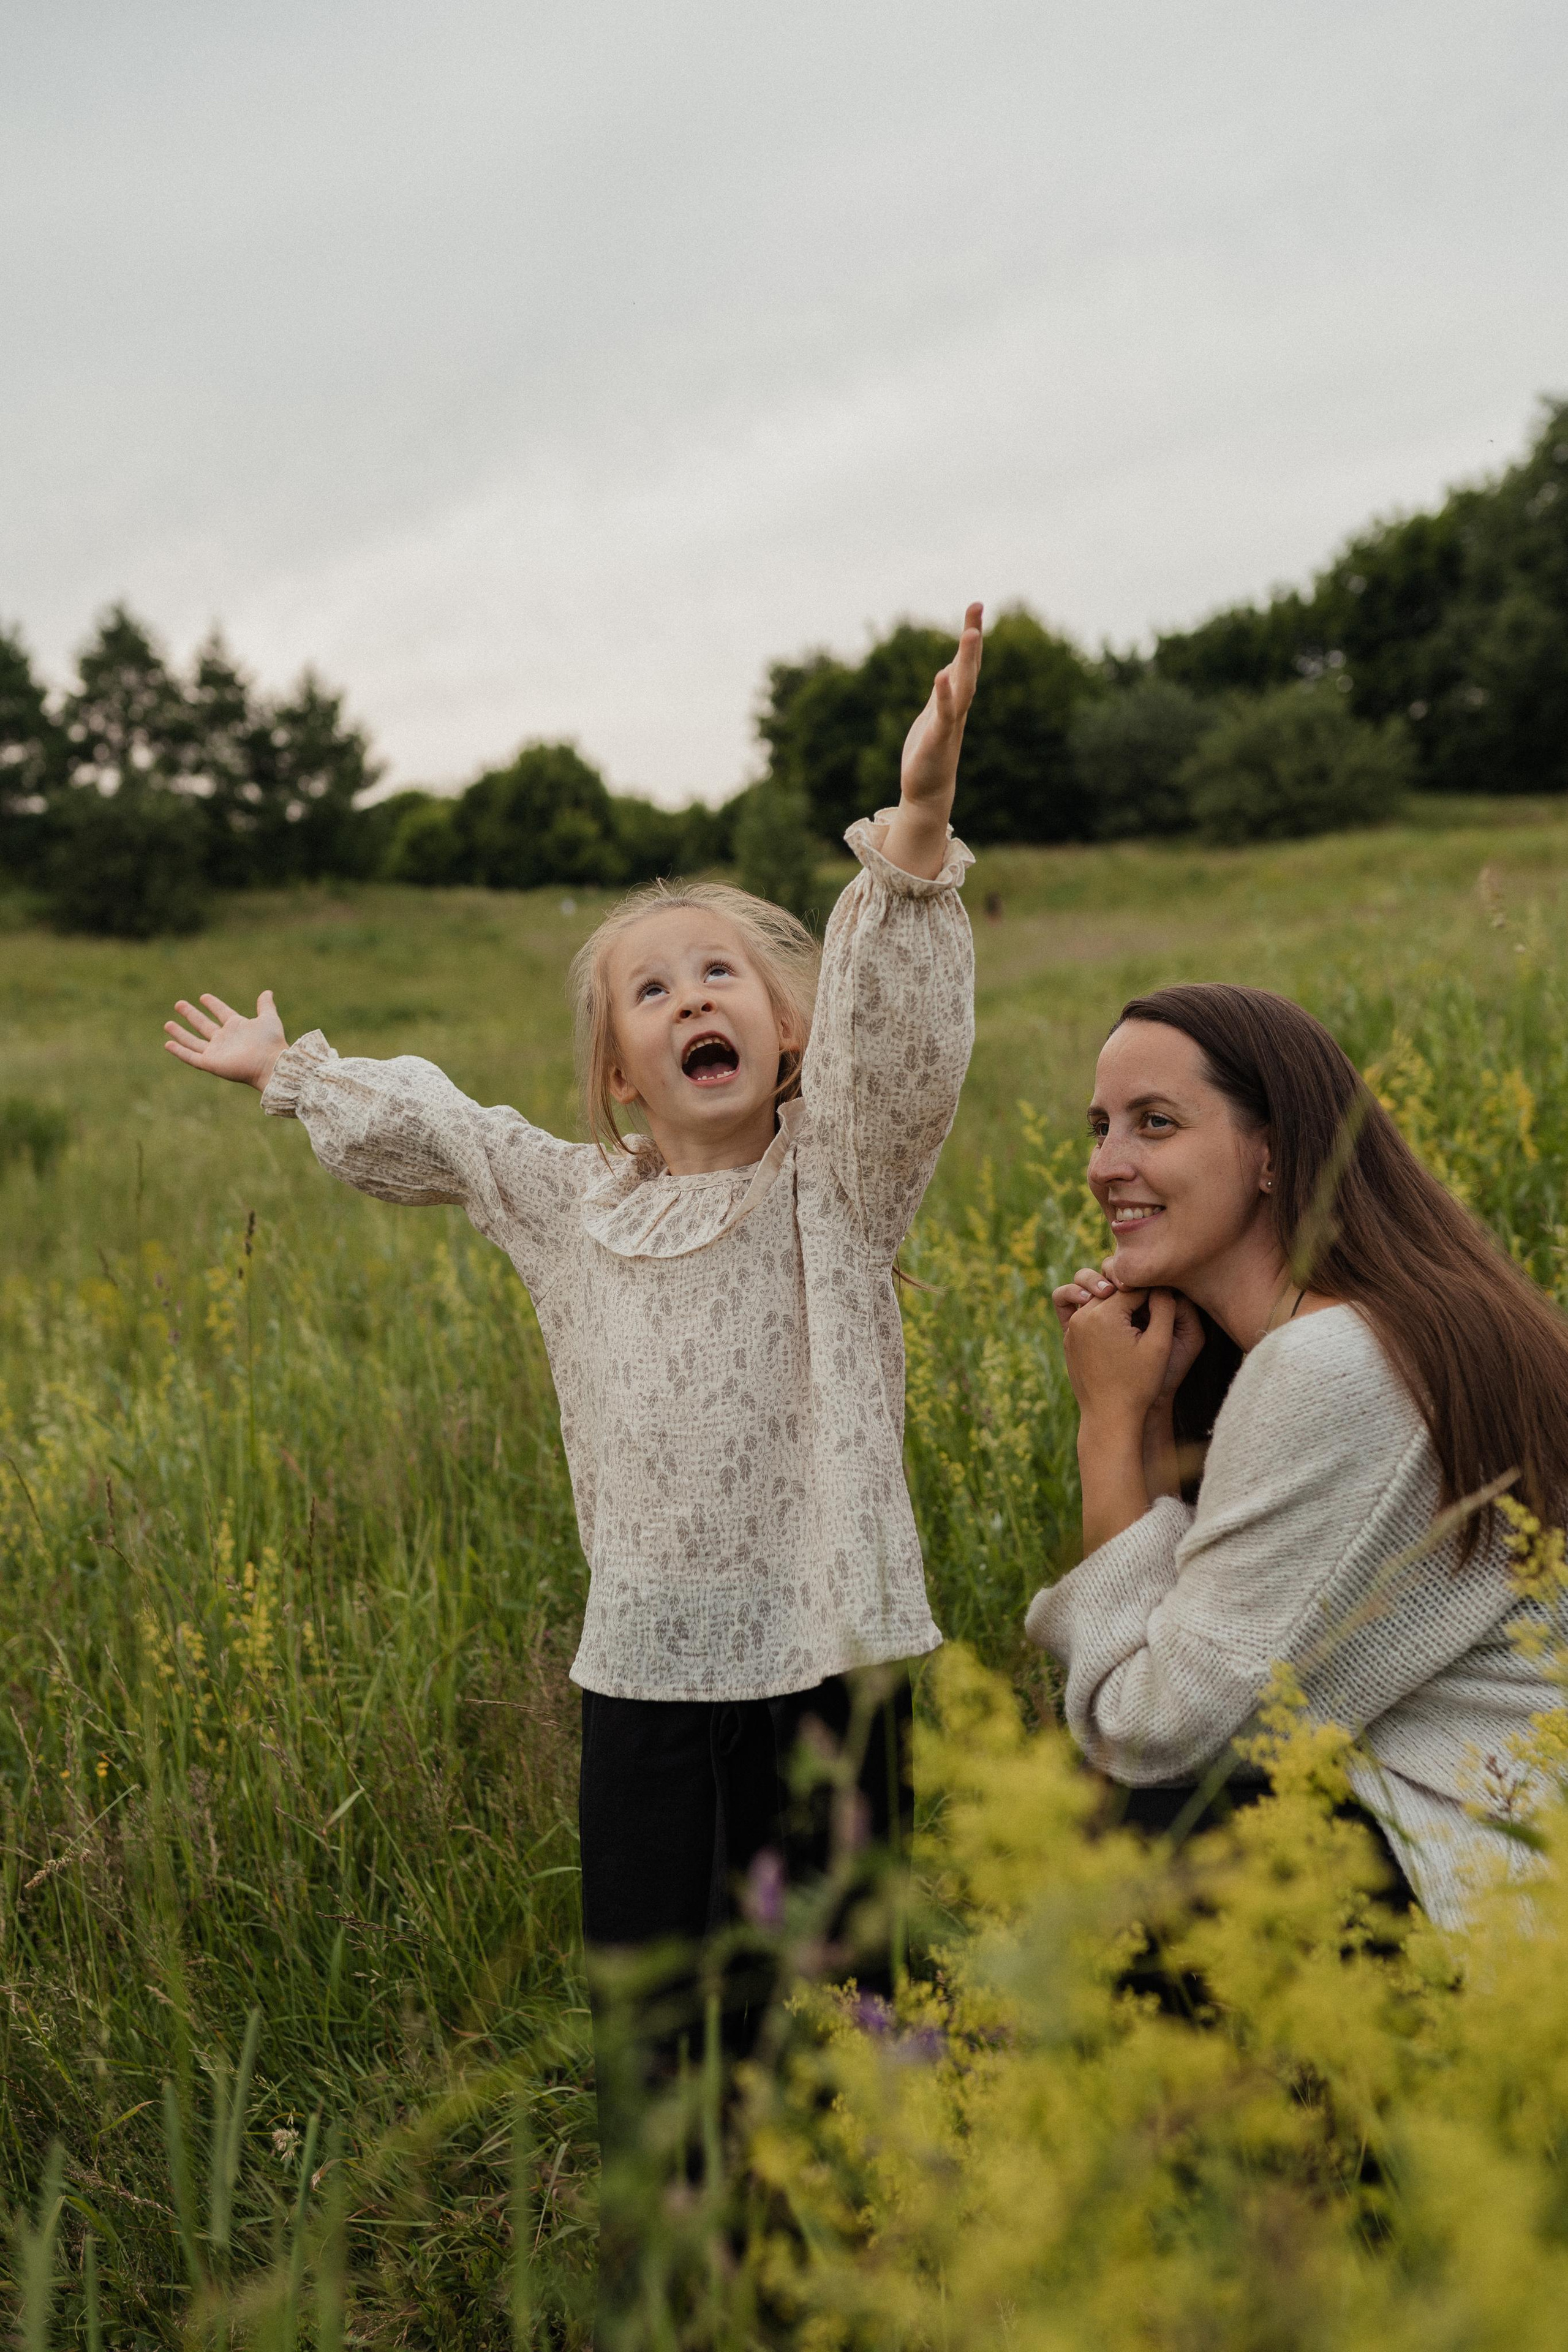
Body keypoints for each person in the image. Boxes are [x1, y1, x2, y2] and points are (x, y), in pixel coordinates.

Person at [163, 605, 982, 2302]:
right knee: (662, 2018)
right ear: (617, 1065)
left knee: (842, 2001)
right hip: (646, 1686)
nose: (694, 997)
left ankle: (876, 2276)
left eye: (724, 975)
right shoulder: (574, 1201)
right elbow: (443, 1131)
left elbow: (904, 1056)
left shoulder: (838, 1178)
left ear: (784, 1026)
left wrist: (913, 842)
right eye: (652, 989)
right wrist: (291, 1072)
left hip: (832, 1659)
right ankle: (701, 2286)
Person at [1027, 981, 1568, 1931]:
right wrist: (1155, 1426)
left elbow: (1147, 1737)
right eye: (1098, 1127)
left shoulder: (1334, 1364)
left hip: (1497, 1878)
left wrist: (1107, 1426)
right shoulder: (1382, 1325)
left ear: (1272, 1153)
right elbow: (1213, 1652)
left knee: (1139, 1837)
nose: (1107, 1165)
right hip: (1486, 1829)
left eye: (1155, 1124)